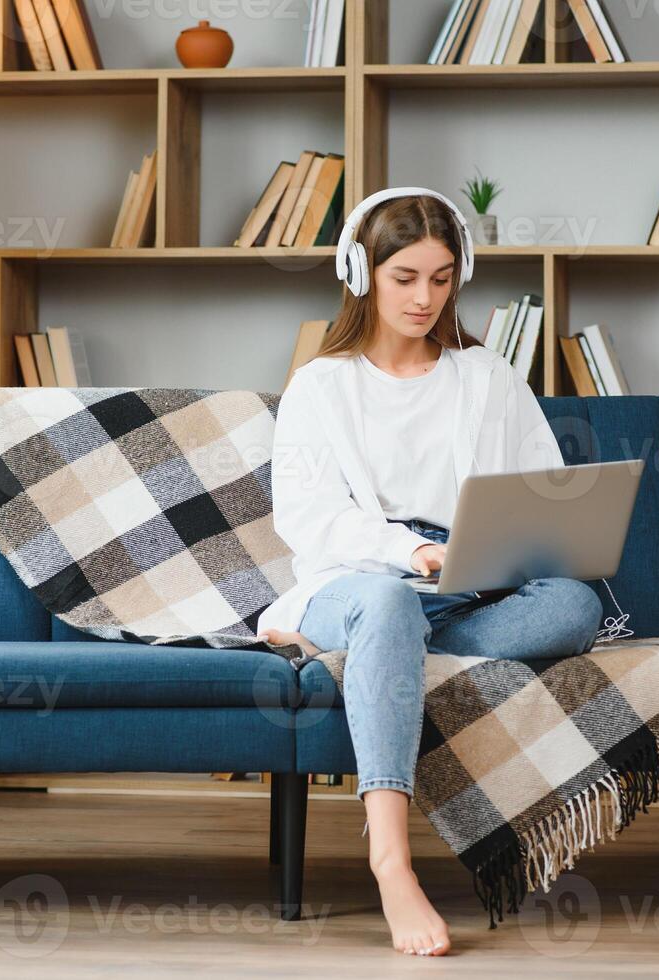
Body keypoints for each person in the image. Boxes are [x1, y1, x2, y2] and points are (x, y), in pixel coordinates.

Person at [257, 188, 606, 956]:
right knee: (385, 604)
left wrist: (507, 549)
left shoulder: (486, 379)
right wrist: (409, 552)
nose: (424, 298)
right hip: (358, 579)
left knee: (576, 606)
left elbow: (539, 486)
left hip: (465, 583)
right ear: (360, 272)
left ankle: (387, 661)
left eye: (442, 278)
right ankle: (391, 860)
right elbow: (309, 517)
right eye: (404, 277)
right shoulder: (323, 385)